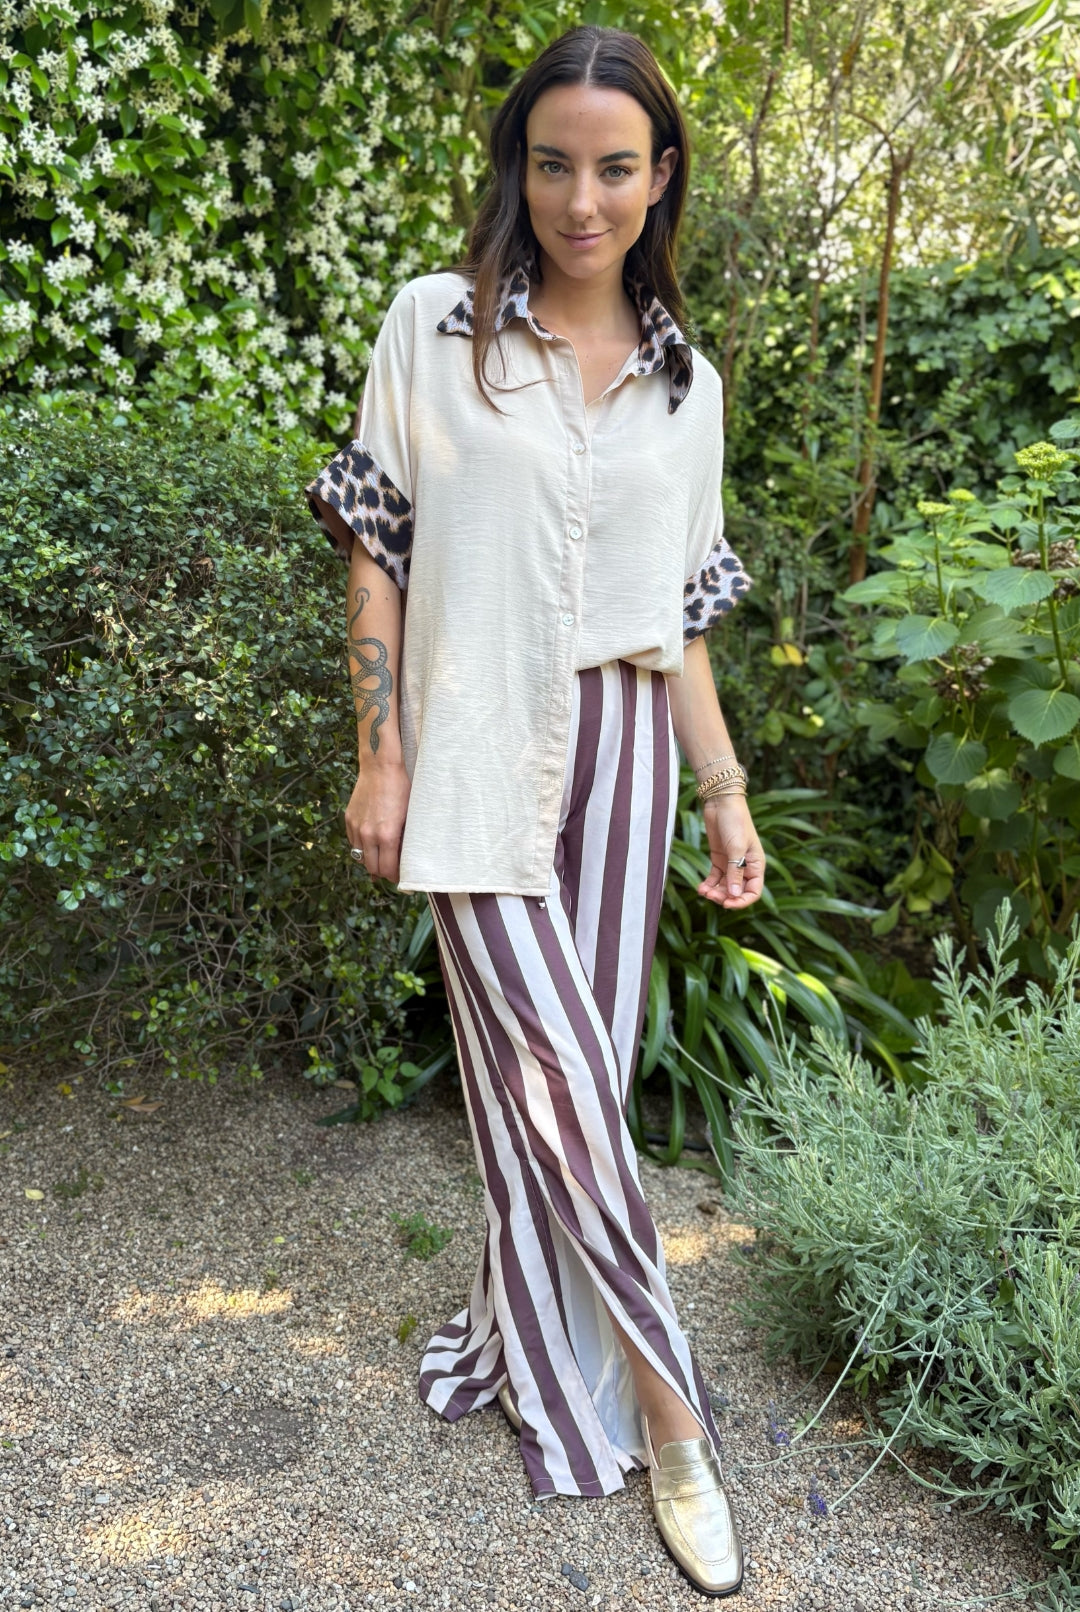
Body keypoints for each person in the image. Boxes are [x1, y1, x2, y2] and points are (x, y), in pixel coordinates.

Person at [304, 23, 764, 1598]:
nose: (582, 199)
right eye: (554, 163)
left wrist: (725, 790)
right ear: (519, 166)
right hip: (477, 743)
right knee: (559, 1082)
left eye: (615, 168)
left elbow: (681, 623)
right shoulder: (432, 328)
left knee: (573, 1090)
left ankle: (534, 1333)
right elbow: (377, 549)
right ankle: (676, 1425)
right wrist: (380, 755)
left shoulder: (689, 389)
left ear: (660, 177)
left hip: (629, 755)